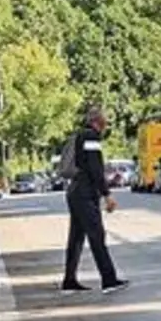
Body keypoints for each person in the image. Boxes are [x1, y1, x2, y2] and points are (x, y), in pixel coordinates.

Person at [61, 105, 128, 294]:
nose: (106, 124)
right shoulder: (91, 137)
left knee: (76, 239)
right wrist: (107, 194)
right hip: (84, 194)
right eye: (105, 120)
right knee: (97, 235)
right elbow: (95, 168)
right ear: (98, 121)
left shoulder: (80, 135)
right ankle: (109, 279)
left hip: (75, 192)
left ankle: (69, 280)